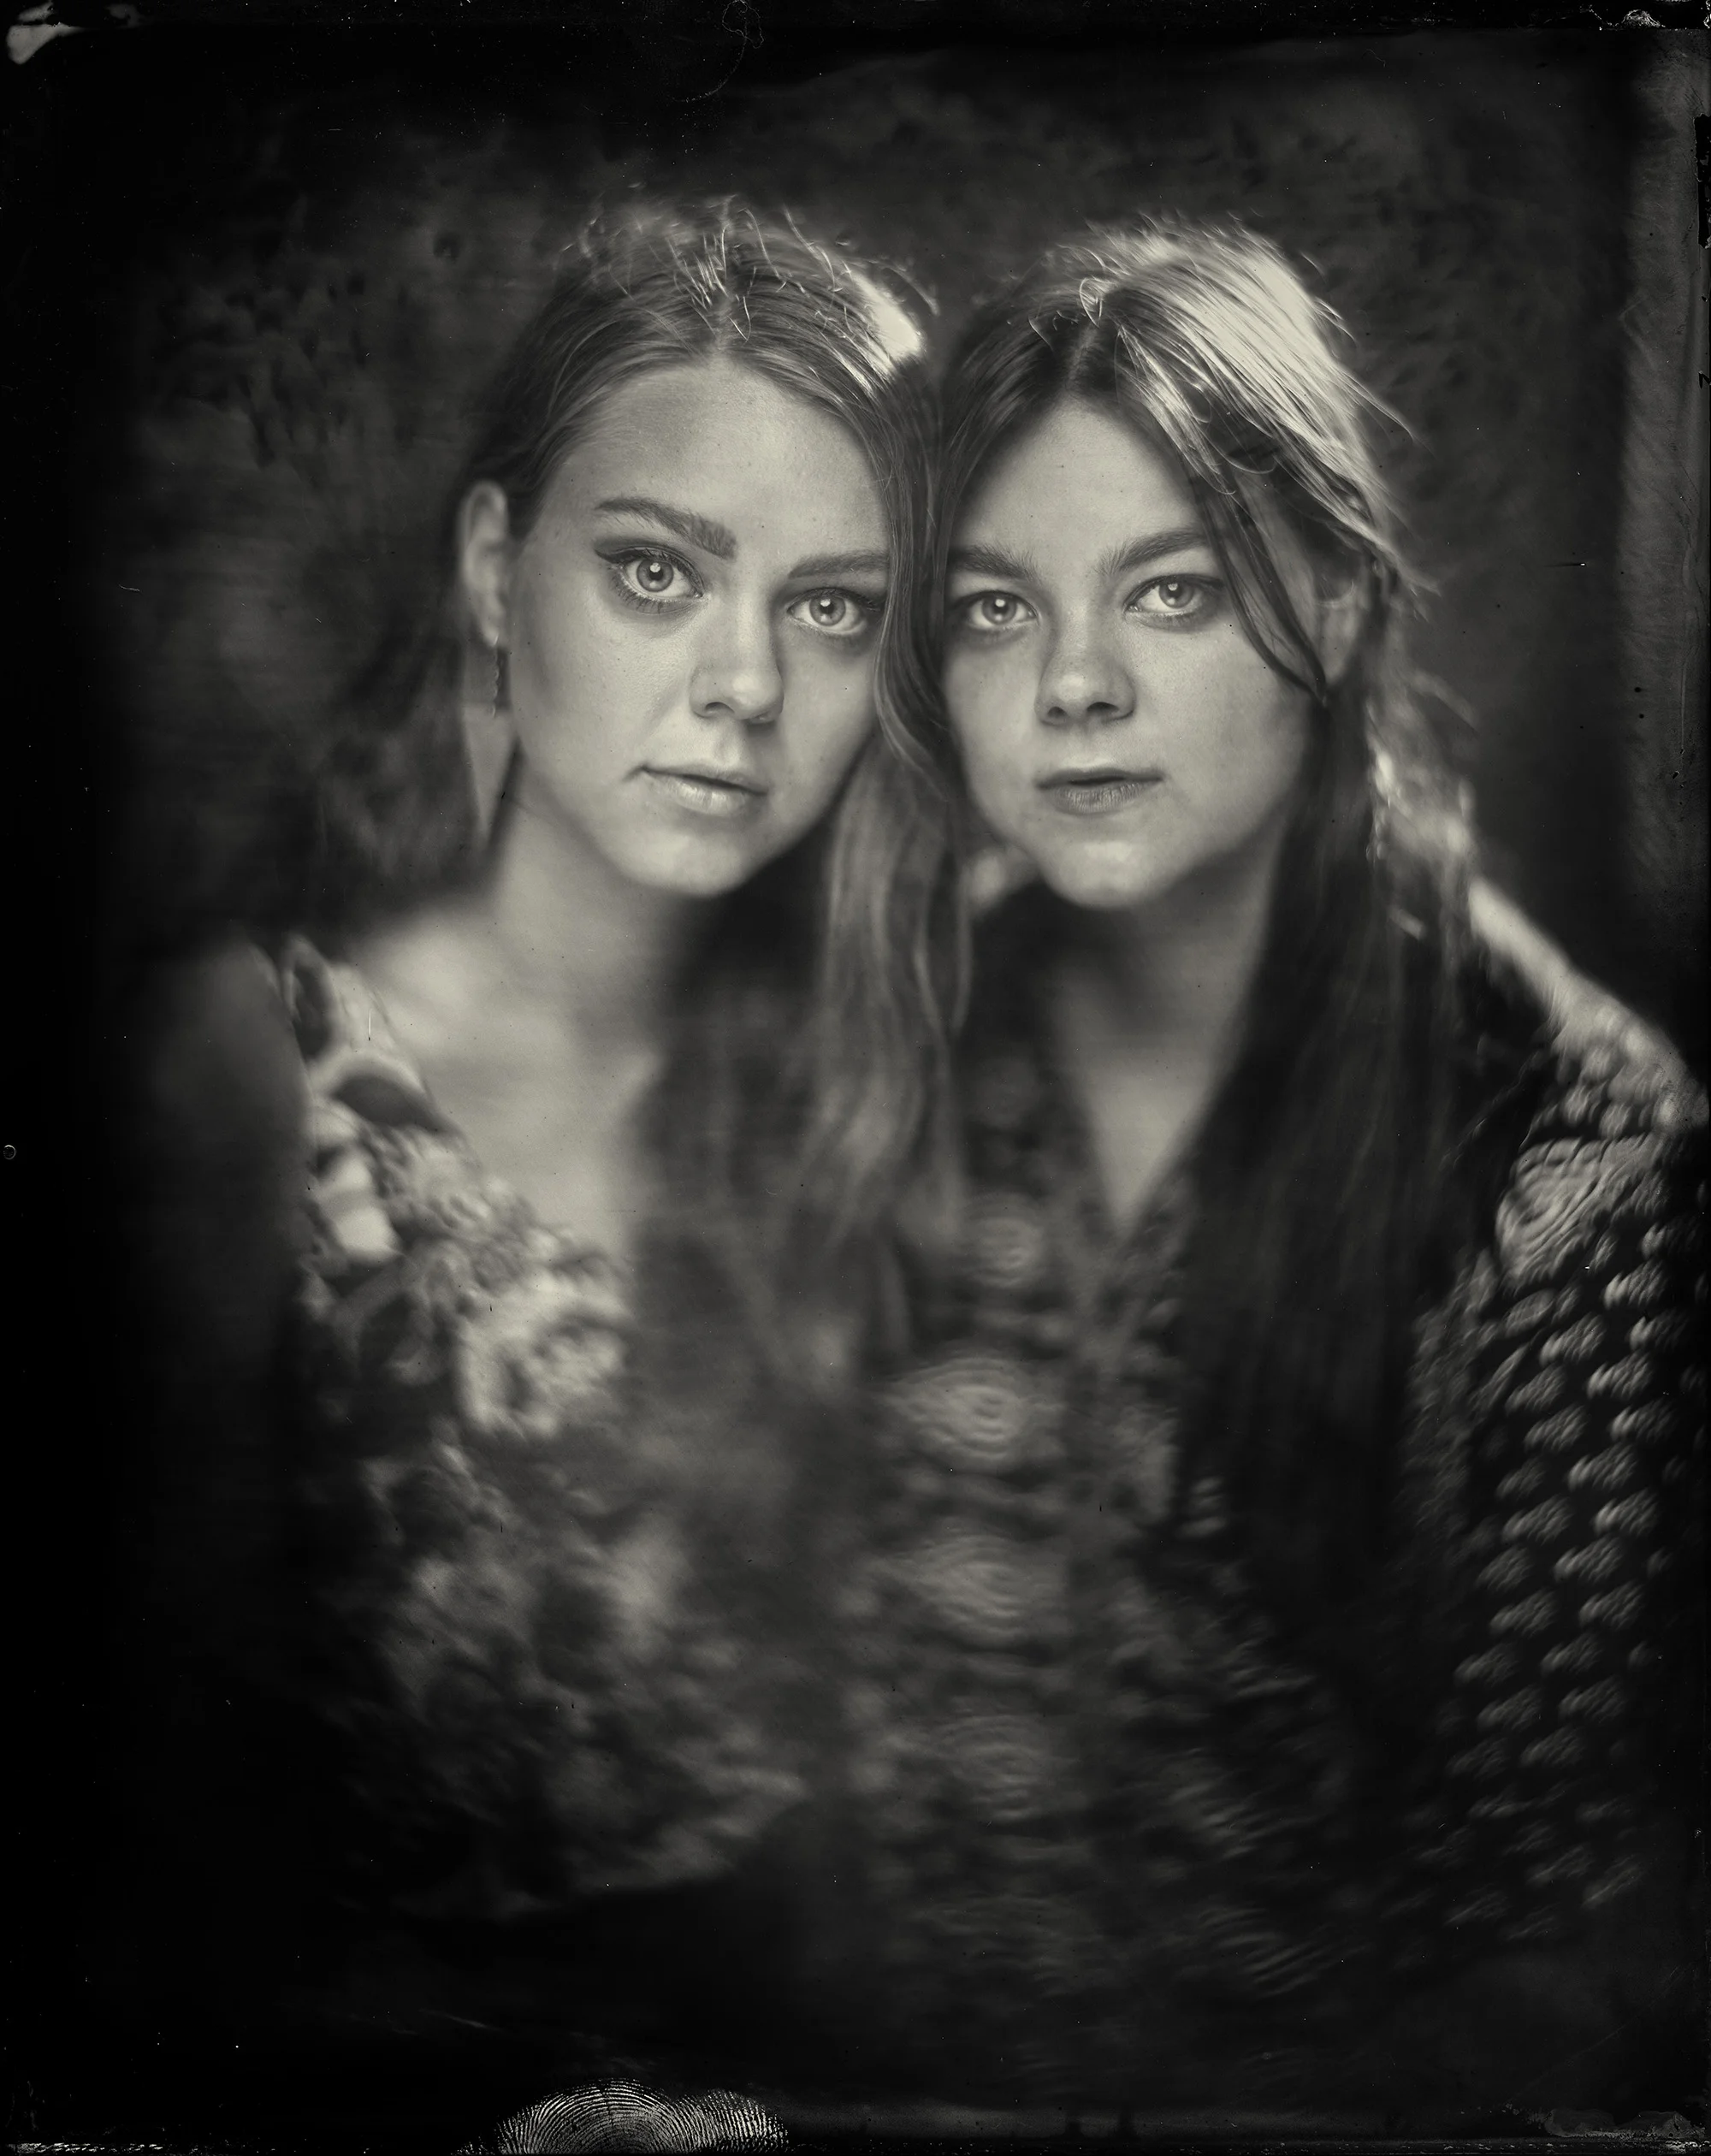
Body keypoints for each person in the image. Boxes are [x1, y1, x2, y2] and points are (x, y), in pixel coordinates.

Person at [801, 216, 1706, 2123]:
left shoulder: (1574, 1163)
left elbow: (1547, 1960)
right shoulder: (895, 1048)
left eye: (1173, 591)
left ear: (1343, 599)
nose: (1075, 685)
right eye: (992, 607)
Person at [112, 200, 946, 2135]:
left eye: (834, 608)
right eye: (657, 572)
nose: (746, 683)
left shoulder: (893, 1084)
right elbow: (154, 1854)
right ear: (498, 571)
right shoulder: (247, 1067)